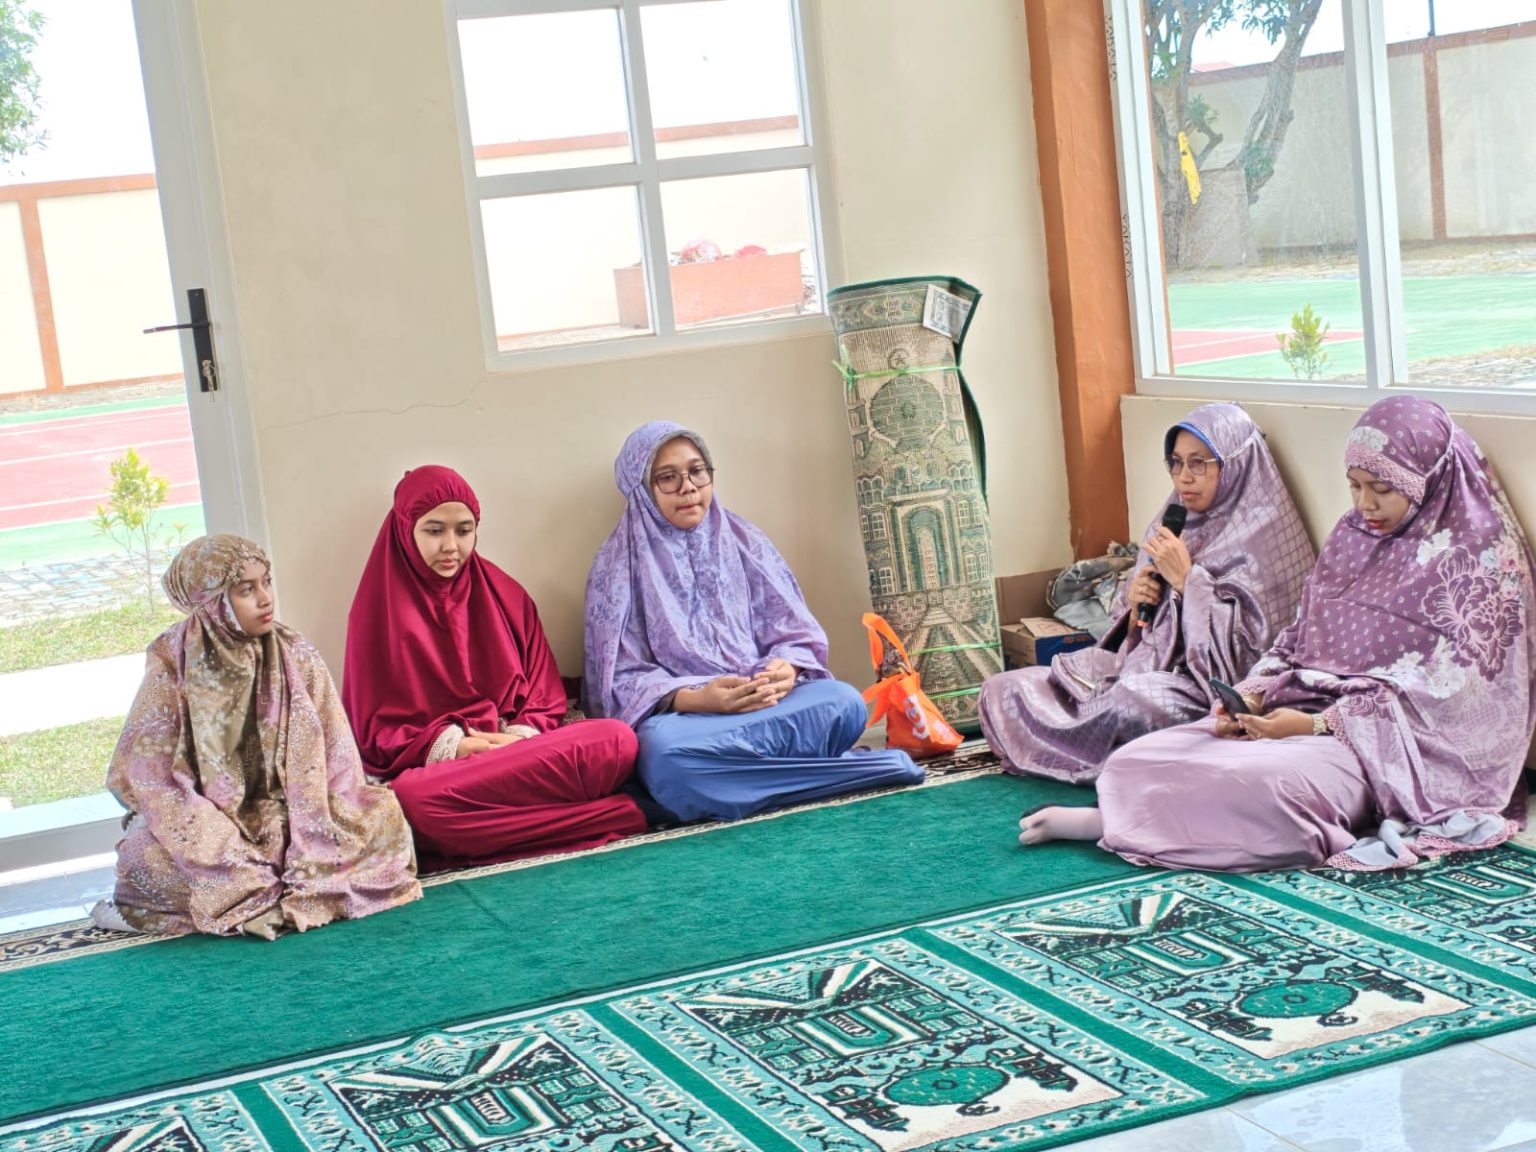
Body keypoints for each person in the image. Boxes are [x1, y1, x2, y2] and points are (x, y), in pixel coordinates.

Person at [1020, 396, 1536, 871]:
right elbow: (1295, 639)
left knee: (1265, 788)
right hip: (1289, 706)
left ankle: (1112, 823)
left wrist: (1315, 725)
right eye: (1355, 486)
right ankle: (1118, 816)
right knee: (1136, 759)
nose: (1365, 505)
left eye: (1382, 490)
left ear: (1431, 478)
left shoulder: (1480, 563)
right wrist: (1248, 695)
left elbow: (1456, 701)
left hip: (1369, 744)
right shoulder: (1352, 538)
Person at [583, 421, 924, 822]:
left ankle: (733, 787)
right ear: (641, 489)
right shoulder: (616, 569)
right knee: (665, 757)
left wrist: (786, 669)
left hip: (766, 704)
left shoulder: (745, 540)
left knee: (844, 703)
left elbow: (794, 630)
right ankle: (854, 772)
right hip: (691, 722)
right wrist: (698, 698)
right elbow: (619, 677)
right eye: (668, 478)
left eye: (697, 471)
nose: (688, 487)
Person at [92, 535, 421, 938]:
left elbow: (337, 752)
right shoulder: (171, 662)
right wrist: (215, 843)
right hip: (207, 819)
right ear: (211, 602)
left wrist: (313, 828)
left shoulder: (295, 652)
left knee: (382, 817)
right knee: (143, 859)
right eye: (246, 590)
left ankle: (273, 887)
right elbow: (150, 775)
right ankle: (250, 890)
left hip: (292, 810)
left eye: (267, 582)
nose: (266, 599)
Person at [979, 402, 1313, 783]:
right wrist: (1135, 606)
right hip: (1138, 668)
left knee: (1133, 702)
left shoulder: (1268, 544)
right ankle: (1085, 742)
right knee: (1004, 688)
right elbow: (1132, 638)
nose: (1184, 477)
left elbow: (1252, 659)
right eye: (1176, 463)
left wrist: (1189, 582)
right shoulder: (1174, 520)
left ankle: (1070, 744)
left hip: (1195, 691)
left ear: (1235, 464)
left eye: (1199, 463)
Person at [343, 466, 644, 868]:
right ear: (404, 529)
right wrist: (456, 746)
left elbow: (544, 695)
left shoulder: (506, 596)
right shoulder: (375, 616)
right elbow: (374, 732)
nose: (451, 546)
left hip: (522, 753)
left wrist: (519, 736)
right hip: (449, 770)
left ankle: (487, 832)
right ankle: (610, 814)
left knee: (616, 740)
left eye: (463, 530)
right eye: (434, 530)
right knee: (410, 802)